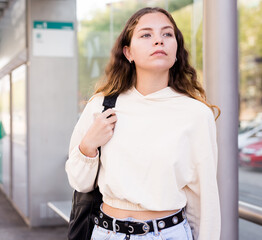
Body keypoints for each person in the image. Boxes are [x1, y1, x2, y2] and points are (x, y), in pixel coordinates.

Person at [65, 7, 221, 240]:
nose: (159, 40)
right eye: (146, 35)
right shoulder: (102, 106)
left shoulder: (196, 114)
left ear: (176, 50)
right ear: (128, 52)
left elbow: (204, 199)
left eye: (167, 34)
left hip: (168, 233)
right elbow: (79, 182)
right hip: (107, 233)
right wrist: (88, 145)